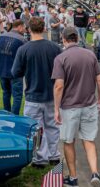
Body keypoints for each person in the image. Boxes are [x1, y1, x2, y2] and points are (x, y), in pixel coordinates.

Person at [52, 27, 100, 187]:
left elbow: (59, 86)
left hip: (69, 108)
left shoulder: (61, 58)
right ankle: (95, 173)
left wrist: (56, 109)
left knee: (68, 142)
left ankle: (73, 178)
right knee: (89, 140)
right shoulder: (90, 55)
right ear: (77, 38)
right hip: (89, 105)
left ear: (64, 39)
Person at [11, 17, 62, 169]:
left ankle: (39, 159)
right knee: (52, 126)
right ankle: (53, 155)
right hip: (52, 94)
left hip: (33, 94)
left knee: (35, 129)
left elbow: (15, 72)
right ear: (44, 28)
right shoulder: (55, 48)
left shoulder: (24, 49)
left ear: (28, 29)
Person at [0, 20, 26, 115]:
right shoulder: (22, 40)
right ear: (19, 27)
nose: (24, 30)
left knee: (6, 92)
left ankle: (6, 114)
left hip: (1, 70)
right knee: (17, 96)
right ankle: (14, 117)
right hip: (16, 73)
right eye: (23, 27)